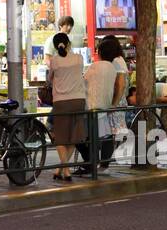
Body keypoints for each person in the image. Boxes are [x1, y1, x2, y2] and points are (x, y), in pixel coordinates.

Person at [47, 32, 88, 181]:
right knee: (73, 137)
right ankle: (63, 170)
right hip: (78, 100)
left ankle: (65, 169)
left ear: (55, 46)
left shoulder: (55, 61)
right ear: (68, 43)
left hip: (61, 102)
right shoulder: (79, 58)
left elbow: (50, 79)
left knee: (60, 138)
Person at [83, 37, 125, 169]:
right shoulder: (113, 63)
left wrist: (114, 103)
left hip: (112, 101)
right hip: (109, 102)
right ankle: (103, 163)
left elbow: (120, 85)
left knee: (107, 133)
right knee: (107, 132)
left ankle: (101, 163)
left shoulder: (116, 63)